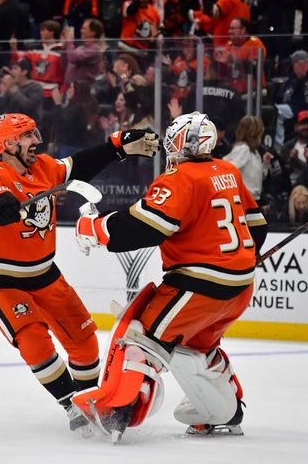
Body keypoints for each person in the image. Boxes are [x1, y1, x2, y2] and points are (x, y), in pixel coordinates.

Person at [72, 111, 268, 438]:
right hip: (239, 288)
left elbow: (145, 228)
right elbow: (257, 225)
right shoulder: (228, 171)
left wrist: (95, 227)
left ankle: (118, 411)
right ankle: (223, 410)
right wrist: (242, 255)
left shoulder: (181, 177)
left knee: (141, 337)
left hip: (197, 286)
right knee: (197, 347)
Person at [0, 113, 159, 434]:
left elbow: (80, 165)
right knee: (35, 342)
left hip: (44, 275)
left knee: (84, 342)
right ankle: (74, 406)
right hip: (0, 281)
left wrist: (118, 147)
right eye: (28, 136)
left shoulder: (43, 167)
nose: (36, 141)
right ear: (8, 143)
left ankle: (90, 402)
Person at [224, 115, 272, 200]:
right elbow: (227, 169)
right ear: (253, 133)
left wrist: (265, 164)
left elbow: (257, 178)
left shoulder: (255, 152)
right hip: (244, 200)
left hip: (254, 199)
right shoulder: (243, 149)